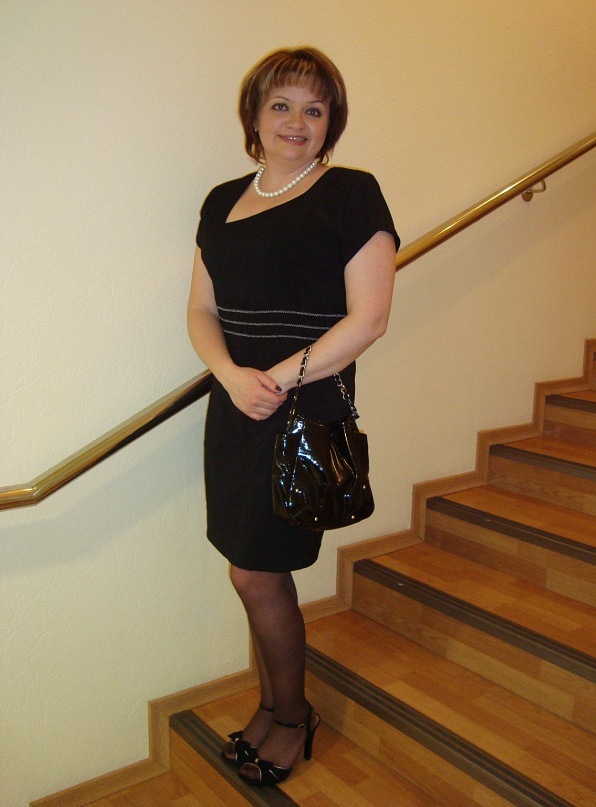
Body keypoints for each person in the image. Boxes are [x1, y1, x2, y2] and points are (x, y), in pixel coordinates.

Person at [187, 46, 399, 787]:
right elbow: (201, 308)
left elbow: (368, 318)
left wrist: (271, 380)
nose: (296, 121)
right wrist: (229, 376)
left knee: (258, 574)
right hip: (234, 406)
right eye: (280, 104)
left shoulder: (351, 194)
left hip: (298, 407)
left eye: (315, 108)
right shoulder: (220, 201)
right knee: (249, 568)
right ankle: (275, 705)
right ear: (253, 115)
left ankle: (292, 715)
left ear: (331, 121)